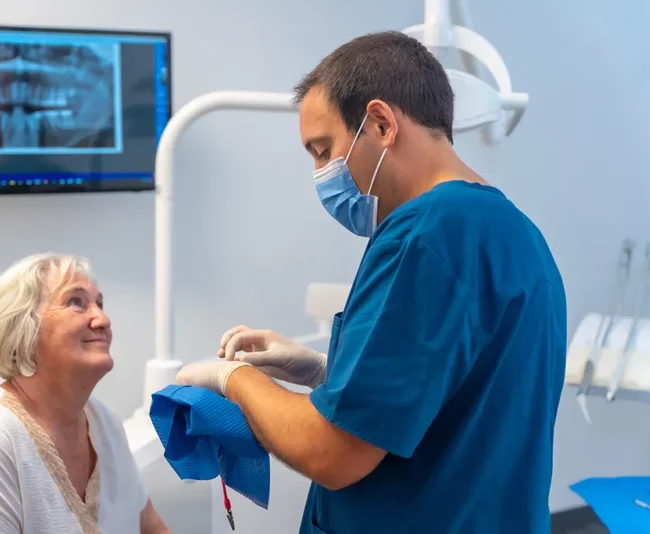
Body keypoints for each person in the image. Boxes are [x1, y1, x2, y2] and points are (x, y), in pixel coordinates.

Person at [176, 31, 566, 534]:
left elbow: (332, 452)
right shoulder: (515, 233)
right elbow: (455, 394)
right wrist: (323, 371)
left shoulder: (426, 236)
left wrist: (234, 381)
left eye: (323, 150)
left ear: (381, 124)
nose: (321, 173)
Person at [0, 254, 170, 534]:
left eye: (100, 304)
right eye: (76, 302)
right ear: (24, 327)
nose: (102, 319)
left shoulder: (106, 426)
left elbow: (151, 528)